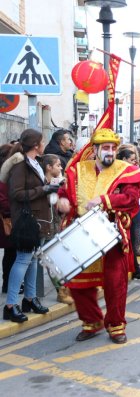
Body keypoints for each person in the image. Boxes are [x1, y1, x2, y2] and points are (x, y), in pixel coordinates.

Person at [56, 128, 140, 343]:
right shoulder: (77, 170)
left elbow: (131, 199)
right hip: (81, 232)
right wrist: (61, 201)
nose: (110, 152)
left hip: (112, 233)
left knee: (116, 284)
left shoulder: (126, 171)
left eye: (113, 148)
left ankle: (116, 326)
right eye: (105, 148)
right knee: (78, 284)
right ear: (95, 149)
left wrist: (105, 200)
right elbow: (64, 192)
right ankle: (91, 321)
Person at [3, 129, 51, 323]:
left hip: (37, 219)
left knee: (32, 260)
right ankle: (10, 305)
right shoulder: (20, 166)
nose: (44, 144)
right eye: (42, 142)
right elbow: (16, 193)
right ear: (36, 145)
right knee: (23, 260)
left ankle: (29, 300)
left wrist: (50, 186)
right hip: (26, 220)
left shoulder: (35, 163)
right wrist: (43, 189)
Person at [40, 154, 74, 304]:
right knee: (50, 259)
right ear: (49, 167)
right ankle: (60, 290)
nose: (61, 168)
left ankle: (66, 288)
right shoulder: (44, 183)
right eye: (58, 165)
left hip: (57, 225)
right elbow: (51, 202)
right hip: (47, 225)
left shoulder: (57, 182)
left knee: (61, 258)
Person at [116, 146, 140, 280]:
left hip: (133, 209)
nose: (135, 162)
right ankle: (133, 269)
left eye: (136, 159)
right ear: (124, 159)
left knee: (130, 242)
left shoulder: (135, 171)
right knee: (126, 242)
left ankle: (134, 268)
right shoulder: (115, 172)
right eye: (132, 159)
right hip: (121, 212)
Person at [0, 143, 16, 294]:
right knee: (11, 253)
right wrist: (10, 214)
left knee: (10, 253)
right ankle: (7, 284)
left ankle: (8, 283)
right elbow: (3, 200)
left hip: (6, 218)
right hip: (6, 219)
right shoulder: (4, 175)